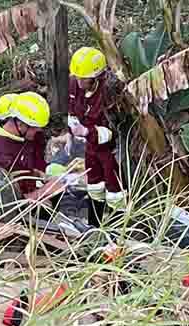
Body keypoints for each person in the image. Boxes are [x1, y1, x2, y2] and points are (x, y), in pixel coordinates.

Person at [68, 46, 124, 226]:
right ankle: (94, 224)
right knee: (94, 184)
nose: (78, 81)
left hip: (108, 150)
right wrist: (72, 128)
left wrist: (87, 132)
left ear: (94, 78)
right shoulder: (75, 84)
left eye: (82, 78)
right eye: (76, 76)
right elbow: (72, 106)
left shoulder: (107, 94)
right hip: (90, 148)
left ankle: (118, 225)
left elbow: (112, 130)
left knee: (114, 190)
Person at [0, 92, 51, 196]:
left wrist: (36, 173)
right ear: (21, 124)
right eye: (35, 127)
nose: (39, 130)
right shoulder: (2, 155)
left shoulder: (14, 136)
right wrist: (50, 188)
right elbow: (17, 199)